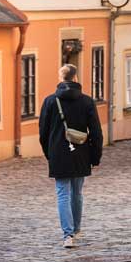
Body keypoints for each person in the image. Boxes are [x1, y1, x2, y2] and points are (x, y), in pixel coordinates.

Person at [39, 63, 103, 248]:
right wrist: (95, 156)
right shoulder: (87, 101)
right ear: (75, 78)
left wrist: (49, 153)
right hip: (81, 152)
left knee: (62, 194)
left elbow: (43, 132)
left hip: (59, 153)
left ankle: (68, 235)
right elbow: (96, 132)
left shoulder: (50, 101)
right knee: (77, 192)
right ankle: (76, 229)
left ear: (61, 78)